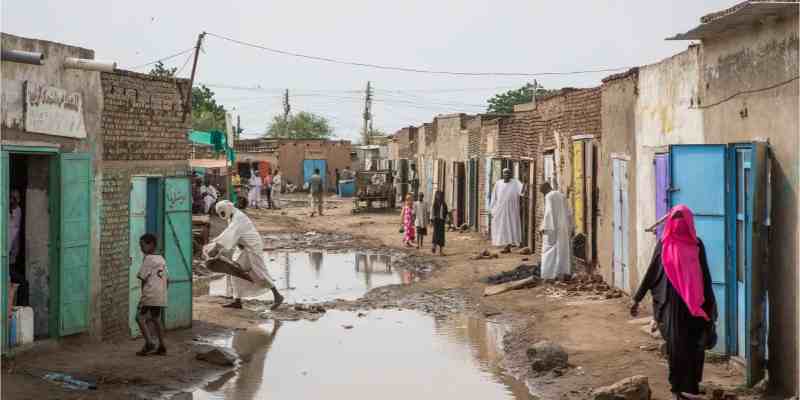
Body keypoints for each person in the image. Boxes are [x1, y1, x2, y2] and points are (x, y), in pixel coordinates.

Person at [631, 205, 717, 400]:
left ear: (689, 222)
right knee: (676, 348)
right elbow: (651, 272)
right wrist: (636, 298)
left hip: (694, 307)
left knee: (694, 347)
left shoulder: (697, 245)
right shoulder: (664, 245)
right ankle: (678, 389)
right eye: (676, 218)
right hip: (671, 307)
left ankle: (691, 388)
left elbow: (704, 276)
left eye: (682, 219)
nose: (679, 223)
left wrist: (710, 305)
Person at [208, 201, 283, 309]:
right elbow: (233, 236)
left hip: (253, 247)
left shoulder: (238, 218)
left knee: (259, 272)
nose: (222, 215)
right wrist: (220, 250)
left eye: (223, 212)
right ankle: (237, 300)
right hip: (245, 248)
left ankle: (278, 296)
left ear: (227, 208)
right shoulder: (232, 216)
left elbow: (228, 234)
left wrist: (216, 248)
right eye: (221, 213)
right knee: (235, 271)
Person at [136, 233, 168, 356]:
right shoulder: (161, 259)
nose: (141, 248)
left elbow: (142, 277)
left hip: (150, 294)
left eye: (142, 245)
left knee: (139, 317)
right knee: (156, 319)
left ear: (151, 245)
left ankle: (149, 343)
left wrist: (143, 295)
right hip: (160, 294)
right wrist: (162, 291)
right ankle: (162, 346)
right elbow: (168, 279)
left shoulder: (148, 259)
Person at [539, 182, 572, 280]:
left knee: (548, 250)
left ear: (545, 189)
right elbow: (569, 212)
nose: (543, 195)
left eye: (543, 192)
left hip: (552, 227)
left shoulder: (549, 196)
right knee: (562, 250)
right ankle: (561, 272)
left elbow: (548, 213)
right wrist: (570, 226)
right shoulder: (562, 195)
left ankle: (548, 274)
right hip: (564, 226)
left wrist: (543, 228)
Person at [490, 168, 524, 253]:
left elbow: (522, 191)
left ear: (510, 175)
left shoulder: (515, 183)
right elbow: (494, 197)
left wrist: (525, 182)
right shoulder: (498, 183)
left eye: (508, 173)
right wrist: (492, 209)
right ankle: (504, 245)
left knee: (511, 226)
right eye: (505, 173)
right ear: (502, 174)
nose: (506, 175)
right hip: (500, 209)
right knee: (502, 227)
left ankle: (509, 245)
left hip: (512, 209)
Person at [8, 190, 27, 306]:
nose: (15, 200)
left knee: (16, 284)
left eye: (17, 198)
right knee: (22, 283)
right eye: (12, 198)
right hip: (6, 256)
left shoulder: (18, 211)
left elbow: (15, 232)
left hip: (12, 255)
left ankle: (17, 308)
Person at [430, 191, 448, 256]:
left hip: (442, 221)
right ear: (436, 196)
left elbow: (446, 212)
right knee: (435, 234)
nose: (439, 196)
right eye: (437, 195)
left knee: (442, 236)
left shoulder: (444, 204)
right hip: (436, 220)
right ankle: (434, 247)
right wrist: (431, 220)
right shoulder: (435, 203)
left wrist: (447, 220)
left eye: (440, 195)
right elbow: (432, 212)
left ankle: (441, 251)